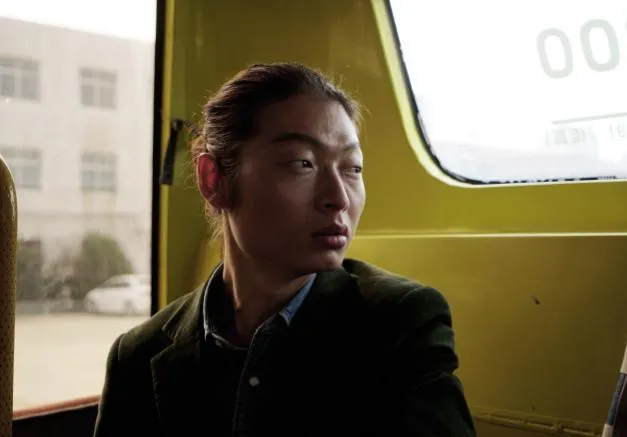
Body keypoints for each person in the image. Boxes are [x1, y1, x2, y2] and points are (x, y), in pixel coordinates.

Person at [93, 62, 475, 437]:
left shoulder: (399, 322)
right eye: (302, 163)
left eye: (352, 168)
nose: (338, 198)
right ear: (214, 180)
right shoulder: (139, 354)